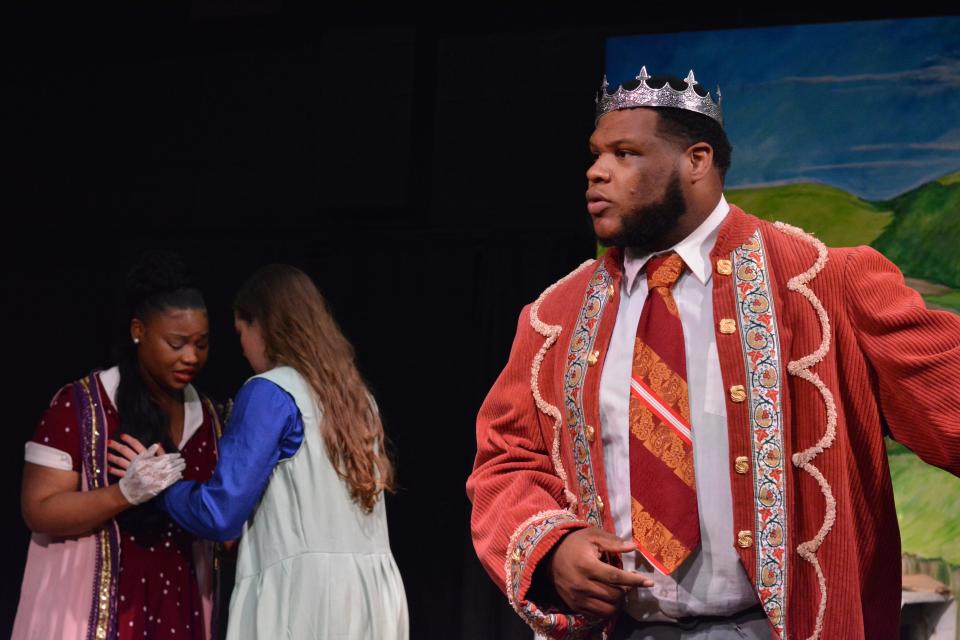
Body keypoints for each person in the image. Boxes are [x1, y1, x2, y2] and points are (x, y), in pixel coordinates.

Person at [466, 67, 960, 640]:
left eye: (625, 153)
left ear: (696, 161)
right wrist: (555, 548)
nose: (596, 171)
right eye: (597, 154)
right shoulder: (555, 317)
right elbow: (505, 460)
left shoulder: (822, 284)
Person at [127, 264, 408, 640]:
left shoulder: (270, 392)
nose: (242, 347)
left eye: (241, 331)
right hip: (372, 595)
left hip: (304, 598)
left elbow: (220, 512)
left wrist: (162, 486)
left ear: (262, 326)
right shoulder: (358, 399)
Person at [14, 251, 223, 640]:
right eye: (176, 343)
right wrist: (124, 493)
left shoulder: (207, 417)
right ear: (138, 331)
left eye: (202, 343)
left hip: (181, 609)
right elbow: (38, 510)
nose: (191, 357)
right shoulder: (80, 405)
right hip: (89, 610)